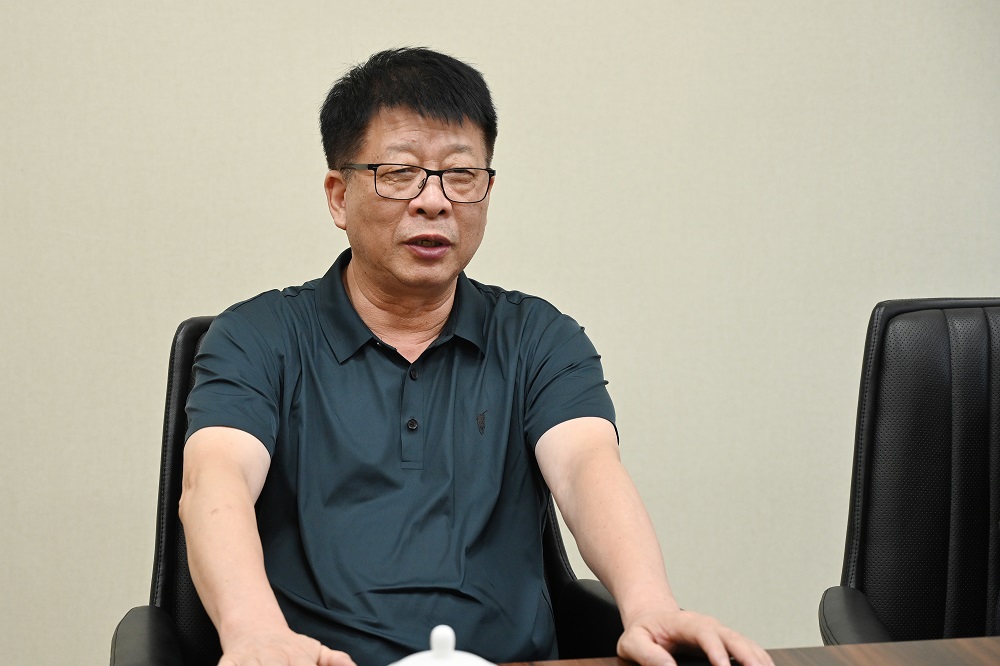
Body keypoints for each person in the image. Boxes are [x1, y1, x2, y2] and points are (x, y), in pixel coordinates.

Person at [179, 47, 773, 666]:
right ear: (338, 196)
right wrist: (253, 632)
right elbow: (214, 479)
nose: (434, 201)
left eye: (460, 174)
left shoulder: (538, 337)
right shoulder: (257, 337)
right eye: (399, 172)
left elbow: (586, 468)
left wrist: (650, 606)